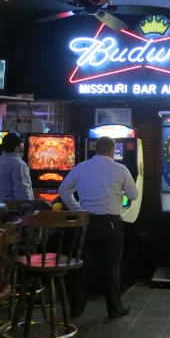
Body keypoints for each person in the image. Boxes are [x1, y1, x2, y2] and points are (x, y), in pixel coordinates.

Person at [59, 135, 138, 318]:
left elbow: (63, 190)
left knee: (83, 267)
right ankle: (114, 309)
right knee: (111, 268)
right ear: (112, 151)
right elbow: (133, 195)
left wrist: (78, 209)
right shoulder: (120, 169)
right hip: (110, 223)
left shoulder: (81, 167)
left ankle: (77, 308)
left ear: (95, 149)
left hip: (86, 221)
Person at [0, 133, 33, 202]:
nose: (24, 144)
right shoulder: (18, 164)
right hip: (13, 209)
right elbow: (22, 191)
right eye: (22, 143)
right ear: (17, 148)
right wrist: (28, 208)